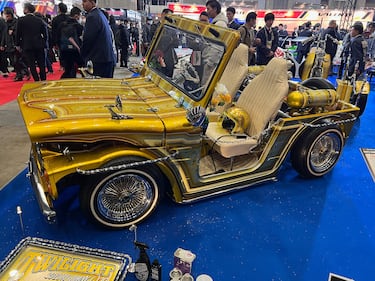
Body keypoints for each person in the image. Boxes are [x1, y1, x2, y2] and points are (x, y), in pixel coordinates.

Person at [81, 0, 116, 78]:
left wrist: (82, 55)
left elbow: (88, 39)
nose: (82, 4)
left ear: (92, 2)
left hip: (98, 60)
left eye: (85, 1)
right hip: (106, 58)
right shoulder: (100, 14)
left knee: (98, 87)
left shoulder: (92, 16)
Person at [15, 2, 47, 81]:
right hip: (39, 45)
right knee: (41, 64)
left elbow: (18, 34)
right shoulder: (39, 20)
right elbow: (45, 34)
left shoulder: (21, 20)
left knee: (32, 65)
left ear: (26, 9)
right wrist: (44, 42)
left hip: (27, 45)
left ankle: (36, 80)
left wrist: (17, 44)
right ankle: (43, 79)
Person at [59, 6, 83, 78]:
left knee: (68, 69)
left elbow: (58, 37)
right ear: (76, 16)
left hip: (64, 50)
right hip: (76, 51)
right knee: (81, 68)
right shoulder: (78, 26)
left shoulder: (62, 25)